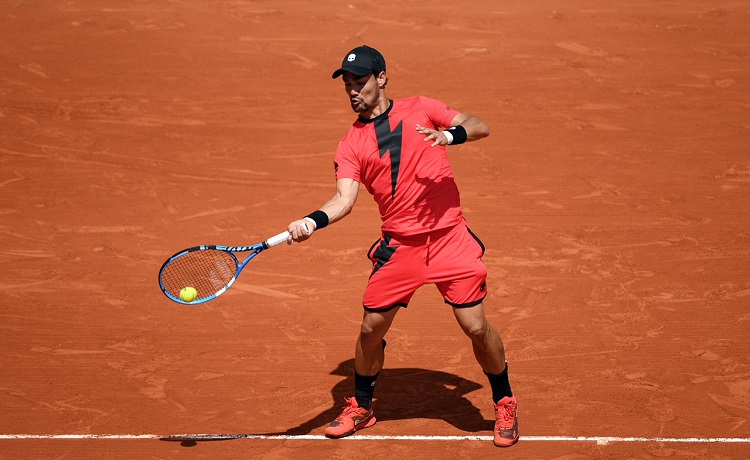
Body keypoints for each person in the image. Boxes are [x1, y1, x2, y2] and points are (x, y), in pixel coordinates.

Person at [286, 45, 518, 447]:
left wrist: (449, 135)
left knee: (476, 327)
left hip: (449, 239)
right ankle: (362, 405)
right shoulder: (350, 144)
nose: (353, 92)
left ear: (382, 78)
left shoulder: (422, 108)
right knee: (370, 330)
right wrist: (311, 220)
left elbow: (480, 125)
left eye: (360, 83)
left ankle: (504, 400)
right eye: (348, 86)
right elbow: (343, 200)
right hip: (400, 247)